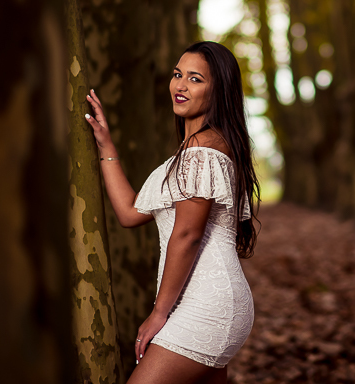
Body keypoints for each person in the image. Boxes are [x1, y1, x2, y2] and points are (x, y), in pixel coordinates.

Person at [84, 41, 259, 384]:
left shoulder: (201, 151)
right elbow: (130, 213)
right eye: (178, 74)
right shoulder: (199, 149)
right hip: (212, 303)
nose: (180, 85)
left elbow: (188, 235)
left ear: (218, 91)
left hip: (207, 307)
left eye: (195, 79)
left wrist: (158, 313)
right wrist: (106, 145)